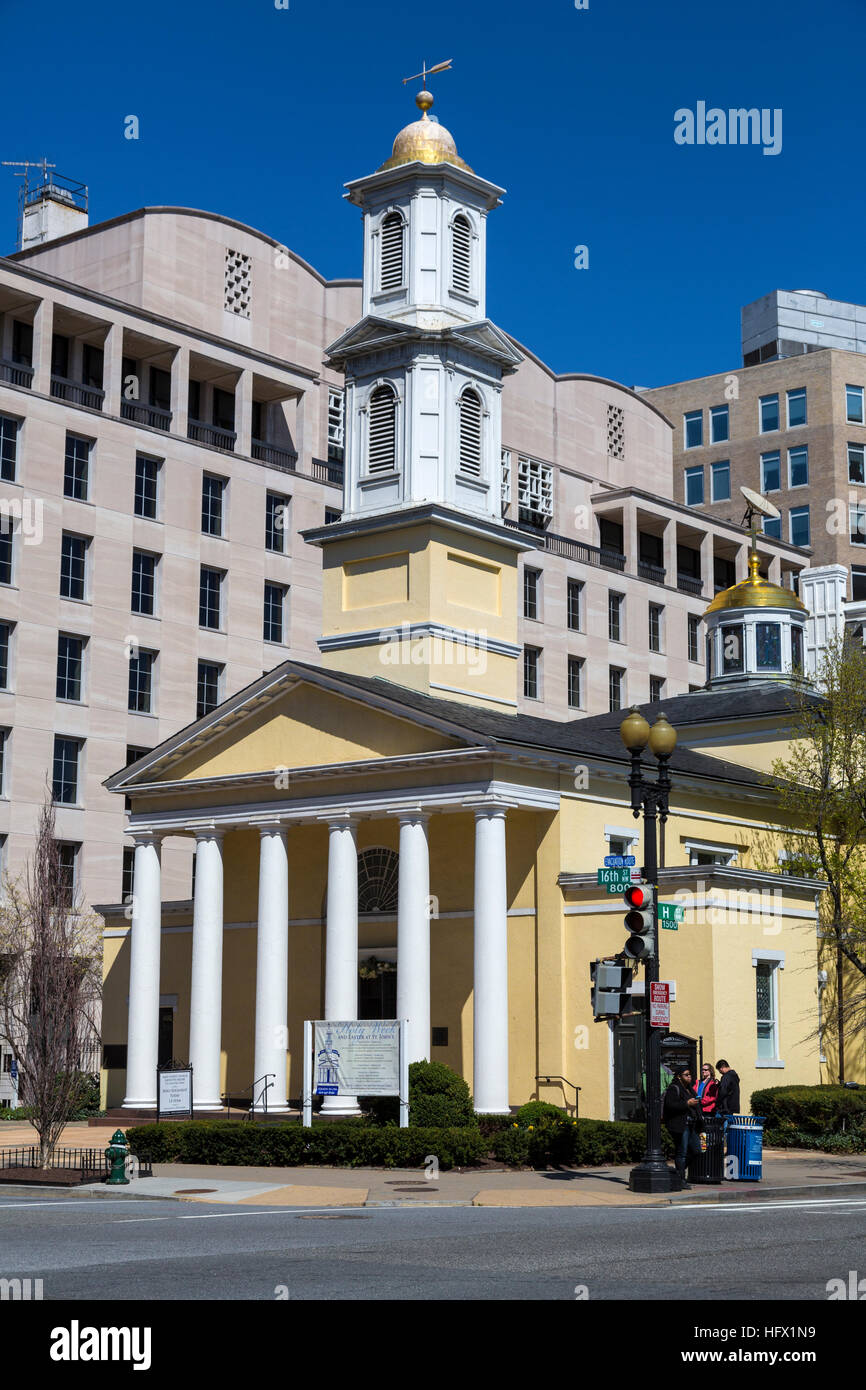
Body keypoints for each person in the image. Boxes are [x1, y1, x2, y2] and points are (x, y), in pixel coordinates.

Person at [663, 1065, 703, 1183]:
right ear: (679, 1077)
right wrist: (687, 1103)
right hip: (681, 1125)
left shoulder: (690, 1089)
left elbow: (696, 1107)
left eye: (690, 1075)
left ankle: (677, 1172)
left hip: (692, 1125)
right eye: (686, 1075)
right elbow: (670, 1106)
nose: (689, 1077)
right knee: (682, 1152)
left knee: (697, 1150)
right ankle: (681, 1179)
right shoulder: (674, 1088)